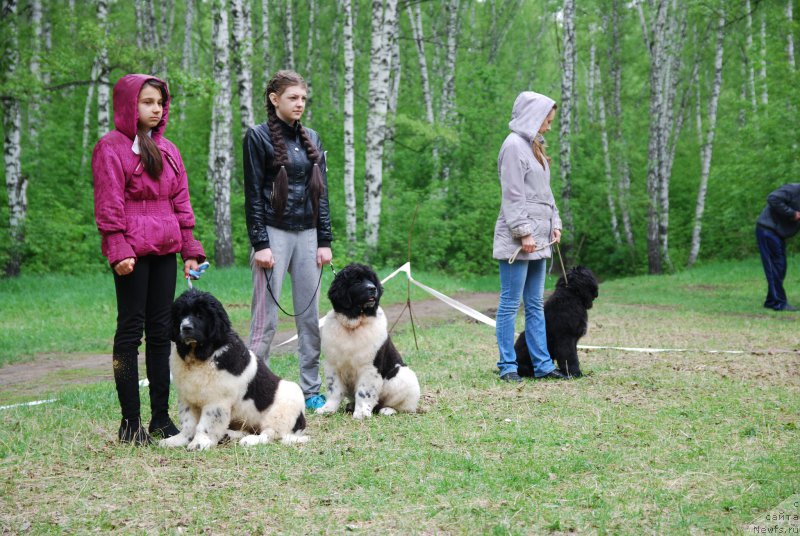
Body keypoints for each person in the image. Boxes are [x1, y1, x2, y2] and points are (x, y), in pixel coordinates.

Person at [92, 74, 205, 445]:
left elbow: (181, 203)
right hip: (131, 251)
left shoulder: (168, 150)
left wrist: (190, 248)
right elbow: (110, 203)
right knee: (130, 331)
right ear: (129, 105)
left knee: (161, 333)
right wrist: (117, 248)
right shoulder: (111, 147)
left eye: (159, 103)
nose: (155, 109)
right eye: (147, 103)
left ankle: (159, 419)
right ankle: (130, 423)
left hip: (166, 248)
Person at [243, 70, 332, 410]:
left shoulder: (312, 138)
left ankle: (311, 389)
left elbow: (321, 195)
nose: (299, 104)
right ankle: (251, 389)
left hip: (308, 234)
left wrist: (324, 240)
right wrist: (260, 243)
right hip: (273, 234)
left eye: (303, 99)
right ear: (274, 99)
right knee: (265, 320)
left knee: (309, 316)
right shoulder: (257, 137)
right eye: (293, 98)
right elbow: (252, 196)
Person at [492, 91, 567, 382]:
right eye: (547, 121)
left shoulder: (535, 147)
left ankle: (543, 365)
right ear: (534, 117)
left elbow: (545, 195)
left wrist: (555, 224)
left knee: (535, 303)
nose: (548, 126)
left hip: (540, 236)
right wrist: (523, 232)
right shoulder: (512, 146)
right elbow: (513, 195)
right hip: (519, 238)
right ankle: (508, 366)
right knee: (511, 302)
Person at [756, 183, 800, 311]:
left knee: (779, 267)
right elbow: (772, 198)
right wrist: (792, 214)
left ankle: (771, 300)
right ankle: (778, 303)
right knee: (775, 266)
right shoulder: (793, 189)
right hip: (768, 230)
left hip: (778, 233)